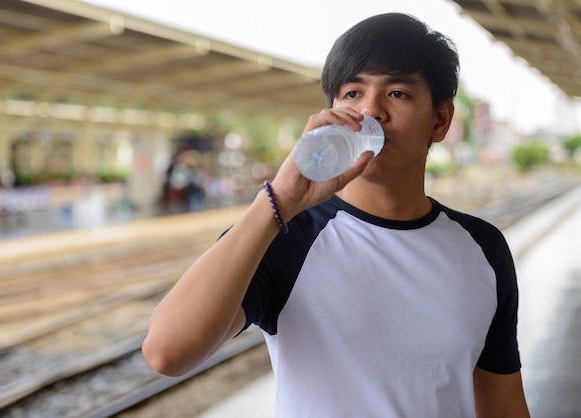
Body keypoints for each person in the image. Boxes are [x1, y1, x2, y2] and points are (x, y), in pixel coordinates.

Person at [142, 12, 530, 417]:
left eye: (397, 93)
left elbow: (504, 405)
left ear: (440, 119)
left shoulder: (483, 248)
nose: (371, 111)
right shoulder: (283, 237)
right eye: (352, 94)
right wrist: (278, 200)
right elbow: (166, 352)